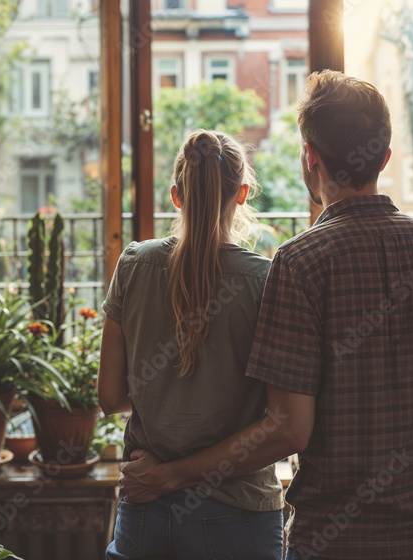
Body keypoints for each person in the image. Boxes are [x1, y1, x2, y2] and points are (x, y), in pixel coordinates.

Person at [120, 71, 413, 560]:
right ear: (384, 157)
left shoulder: (298, 263)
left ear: (309, 157)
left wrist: (171, 474)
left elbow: (288, 429)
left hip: (329, 541)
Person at [98, 130, 284, 559]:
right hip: (240, 511)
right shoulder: (267, 281)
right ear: (242, 193)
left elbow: (110, 397)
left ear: (176, 195)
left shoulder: (133, 265)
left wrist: (166, 404)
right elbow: (283, 421)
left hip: (147, 505)